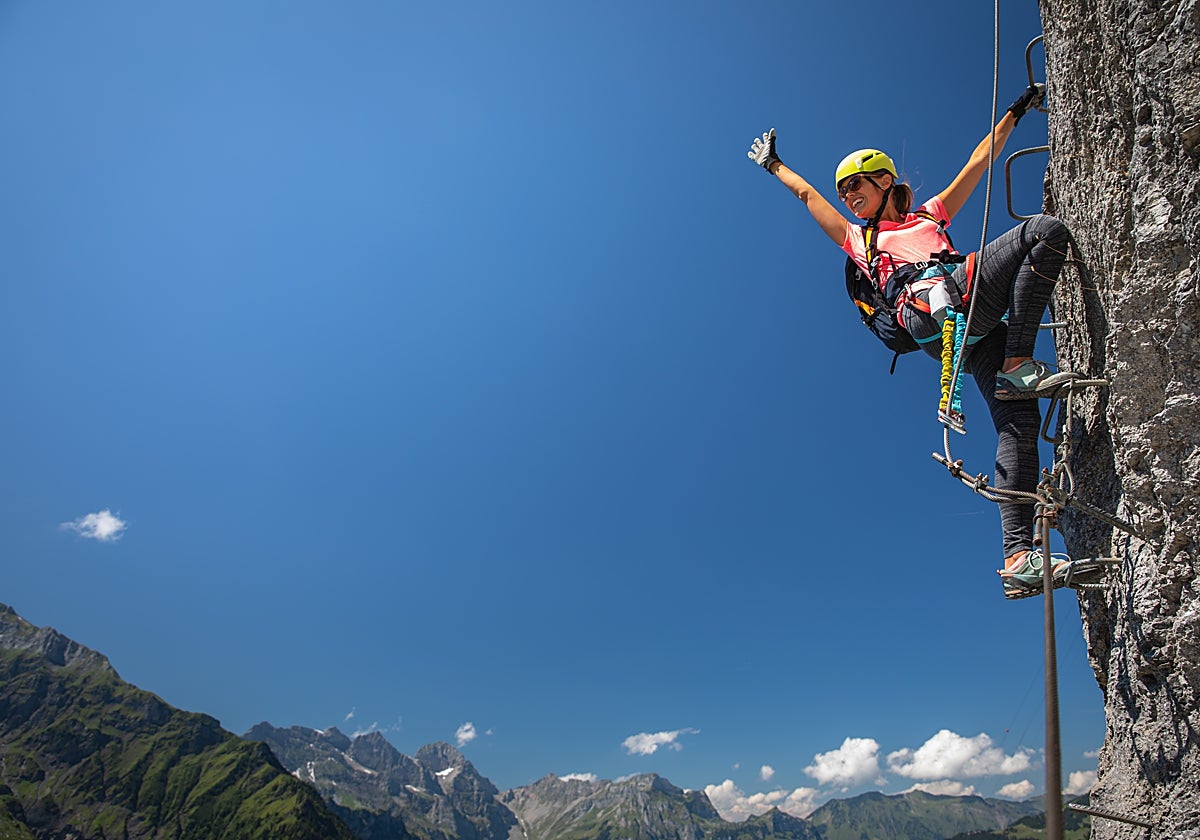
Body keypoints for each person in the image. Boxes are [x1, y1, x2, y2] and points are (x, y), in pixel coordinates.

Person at [747, 84, 1083, 599]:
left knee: (1018, 422)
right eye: (844, 190)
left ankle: (1018, 556)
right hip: (930, 311)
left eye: (856, 183)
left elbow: (979, 160)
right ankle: (1019, 361)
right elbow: (807, 195)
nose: (848, 194)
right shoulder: (861, 240)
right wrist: (775, 166)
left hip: (973, 327)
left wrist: (1017, 109)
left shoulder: (931, 214)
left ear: (886, 180)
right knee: (1042, 232)